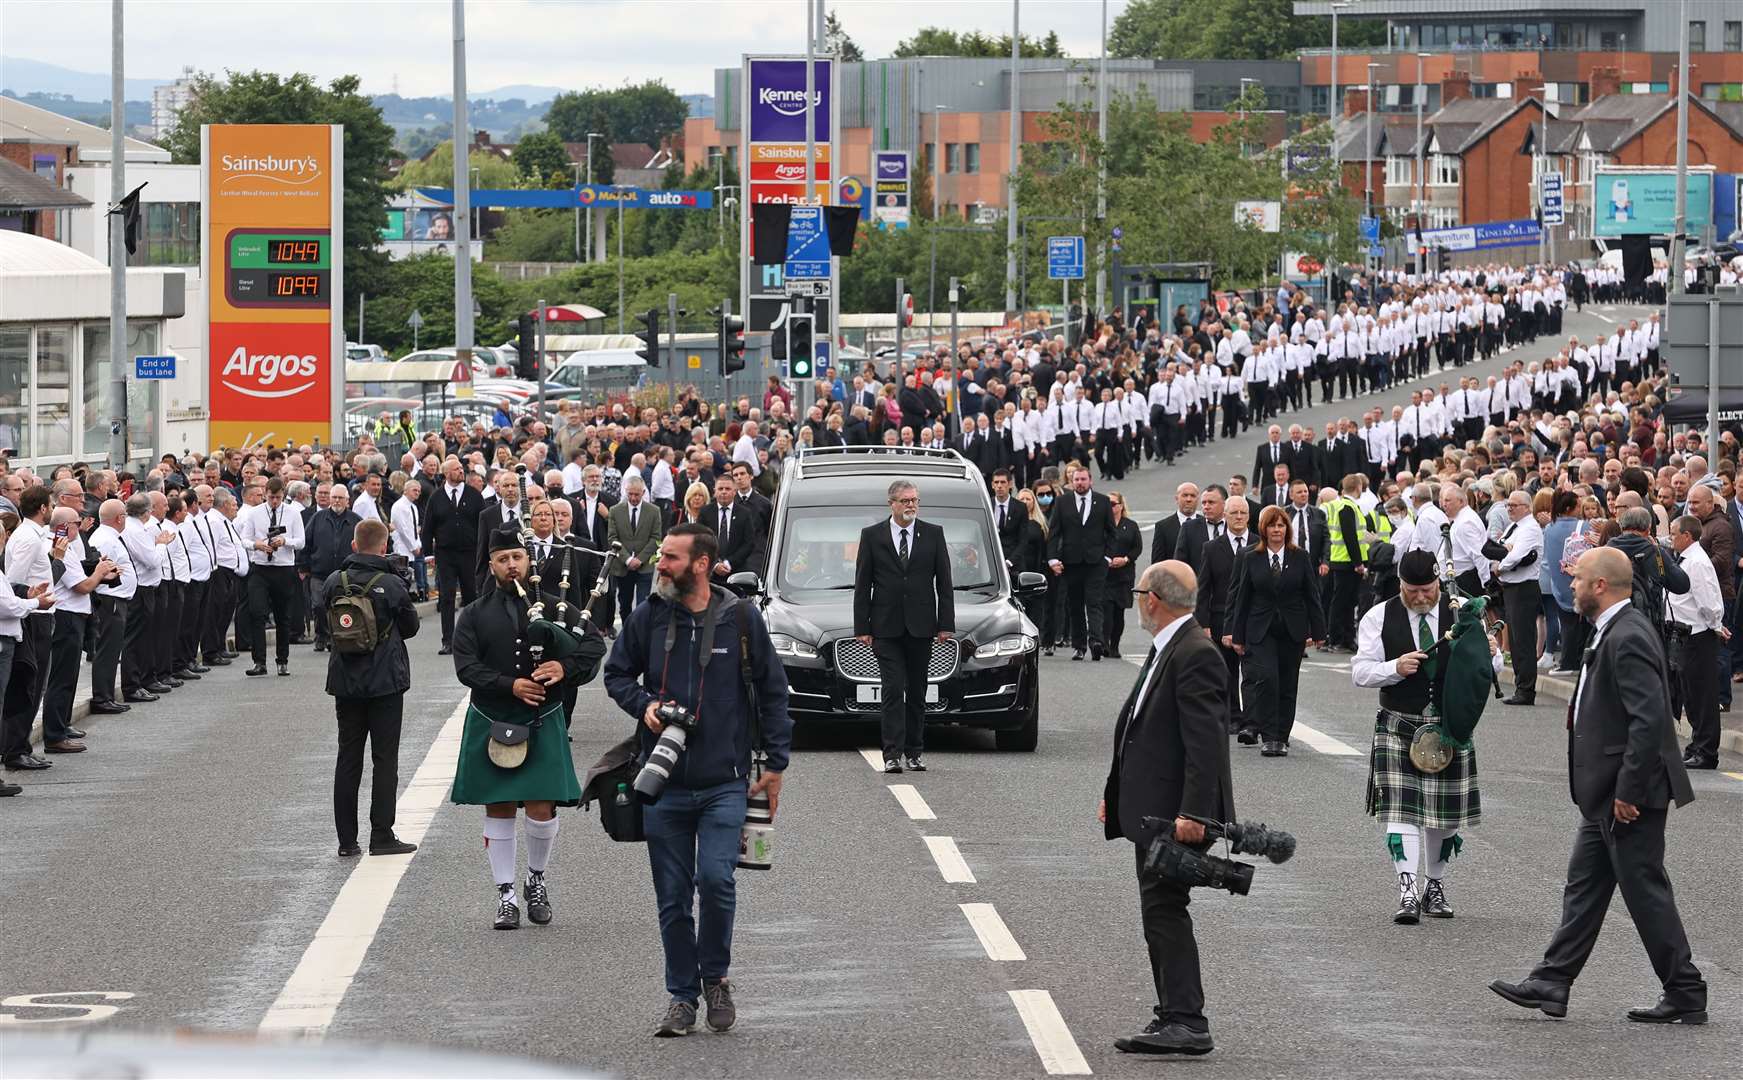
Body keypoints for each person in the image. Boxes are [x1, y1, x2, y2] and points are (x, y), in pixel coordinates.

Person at [1490, 547, 1704, 1025]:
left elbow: (1649, 721)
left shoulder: (1626, 635)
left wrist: (1628, 791)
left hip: (1627, 793)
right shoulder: (1612, 629)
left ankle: (1686, 989)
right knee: (1584, 889)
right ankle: (1552, 980)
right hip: (1605, 792)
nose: (1572, 586)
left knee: (1645, 891)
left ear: (1601, 586)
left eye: (1579, 579)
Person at [603, 523, 793, 1038]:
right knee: (671, 896)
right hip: (661, 782)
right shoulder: (648, 615)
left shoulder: (742, 620)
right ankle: (682, 997)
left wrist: (776, 765)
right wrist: (644, 707)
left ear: (701, 564)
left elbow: (775, 693)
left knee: (715, 880)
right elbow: (616, 674)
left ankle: (717, 979)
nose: (659, 564)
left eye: (669, 557)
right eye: (661, 556)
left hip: (724, 781)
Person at [1101, 560, 1234, 1057]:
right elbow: (1142, 731)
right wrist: (1114, 797)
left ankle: (1186, 1020)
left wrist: (1195, 815)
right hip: (1155, 806)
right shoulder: (1172, 646)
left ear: (1152, 599)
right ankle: (1173, 1013)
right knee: (1159, 910)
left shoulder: (1196, 653)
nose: (1137, 600)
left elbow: (1206, 746)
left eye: (1139, 592)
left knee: (1165, 910)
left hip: (1175, 813)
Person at [450, 526, 607, 930]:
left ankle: (535, 880)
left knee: (541, 806)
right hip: (492, 717)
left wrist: (564, 667)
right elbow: (466, 667)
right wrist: (510, 684)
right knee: (499, 805)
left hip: (542, 719)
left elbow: (594, 646)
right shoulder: (474, 614)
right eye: (503, 559)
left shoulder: (555, 608)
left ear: (529, 560)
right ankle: (506, 894)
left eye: (517, 557)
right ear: (492, 565)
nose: (512, 565)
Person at [1352, 550, 1494, 924]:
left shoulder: (1461, 610)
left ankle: (1435, 885)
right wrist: (1394, 667)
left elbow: (1488, 664)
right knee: (1402, 810)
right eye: (1411, 590)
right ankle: (1408, 891)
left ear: (1437, 582)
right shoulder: (1378, 616)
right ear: (1400, 585)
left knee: (1445, 818)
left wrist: (1492, 653)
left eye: (1427, 589)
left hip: (1450, 727)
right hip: (1399, 723)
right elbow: (1360, 672)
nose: (1420, 597)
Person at [320, 519, 420, 858]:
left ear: (353, 545)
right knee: (384, 758)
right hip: (385, 682)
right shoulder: (391, 583)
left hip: (345, 681)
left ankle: (346, 841)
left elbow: (324, 623)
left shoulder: (335, 581)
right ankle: (382, 834)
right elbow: (410, 627)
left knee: (348, 757)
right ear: (383, 546)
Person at [854, 480, 954, 773]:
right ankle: (892, 754)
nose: (911, 505)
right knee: (893, 689)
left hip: (922, 627)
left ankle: (915, 751)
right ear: (892, 504)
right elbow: (863, 584)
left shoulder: (933, 534)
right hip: (886, 627)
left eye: (915, 500)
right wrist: (862, 626)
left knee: (917, 691)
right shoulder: (872, 536)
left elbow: (944, 583)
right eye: (906, 500)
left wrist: (945, 624)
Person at [1227, 504, 1325, 757]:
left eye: (1281, 525)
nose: (1276, 530)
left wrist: (1318, 630)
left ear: (1287, 529)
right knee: (1267, 678)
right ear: (1264, 529)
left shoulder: (1300, 556)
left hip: (1292, 630)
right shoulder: (1251, 557)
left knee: (1287, 683)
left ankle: (1281, 736)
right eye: (1272, 525)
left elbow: (1312, 594)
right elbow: (1242, 598)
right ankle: (1269, 736)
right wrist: (1237, 635)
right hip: (1260, 630)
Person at [38, 506, 112, 755]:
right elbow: (81, 586)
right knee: (61, 678)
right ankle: (55, 734)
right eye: (76, 523)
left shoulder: (66, 547)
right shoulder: (58, 546)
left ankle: (62, 725)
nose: (79, 527)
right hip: (66, 617)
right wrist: (100, 574)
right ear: (64, 525)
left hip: (74, 616)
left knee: (68, 677)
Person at [1, 487, 62, 771]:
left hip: (39, 613)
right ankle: (15, 749)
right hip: (32, 618)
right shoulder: (27, 537)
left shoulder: (34, 536)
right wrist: (31, 596)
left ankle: (20, 745)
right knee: (29, 685)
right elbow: (11, 583)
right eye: (49, 505)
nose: (51, 510)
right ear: (41, 508)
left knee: (34, 684)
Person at [1665, 516, 1724, 770]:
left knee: (1702, 697)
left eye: (1673, 533)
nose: (1670, 537)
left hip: (1698, 635)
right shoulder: (1684, 558)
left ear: (1687, 536)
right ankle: (1696, 746)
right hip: (1684, 633)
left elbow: (1707, 600)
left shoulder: (1697, 562)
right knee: (1690, 694)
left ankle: (1706, 752)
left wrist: (1716, 626)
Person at [1193, 497, 1254, 736]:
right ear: (1225, 516)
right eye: (1233, 513)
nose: (1238, 517)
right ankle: (1232, 714)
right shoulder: (1211, 547)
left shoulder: (1259, 544)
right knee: (1227, 671)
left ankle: (1252, 718)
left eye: (1243, 512)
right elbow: (1204, 588)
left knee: (1253, 672)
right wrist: (1204, 623)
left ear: (1249, 516)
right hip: (1220, 619)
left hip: (1253, 618)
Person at [236, 477, 305, 678]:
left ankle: (282, 661)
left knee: (283, 616)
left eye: (278, 497)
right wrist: (257, 545)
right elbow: (244, 539)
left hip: (283, 568)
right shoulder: (255, 513)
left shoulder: (292, 513)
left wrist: (285, 541)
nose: (274, 501)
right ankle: (259, 661)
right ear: (265, 494)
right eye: (271, 497)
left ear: (283, 495)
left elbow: (300, 541)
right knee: (257, 613)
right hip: (261, 567)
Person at [1049, 468, 1116, 661]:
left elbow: (1112, 532)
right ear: (1071, 482)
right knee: (1075, 605)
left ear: (1090, 481)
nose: (1080, 482)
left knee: (1094, 602)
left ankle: (1096, 641)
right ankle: (1079, 646)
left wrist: (1108, 557)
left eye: (1083, 479)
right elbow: (1054, 532)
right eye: (1076, 479)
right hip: (1071, 562)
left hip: (1096, 562)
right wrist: (1053, 559)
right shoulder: (1063, 502)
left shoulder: (1103, 502)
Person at [424, 457, 485, 654]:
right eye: (457, 469)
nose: (461, 471)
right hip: (445, 554)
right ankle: (448, 640)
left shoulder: (474, 495)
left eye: (461, 468)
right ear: (447, 473)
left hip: (469, 553)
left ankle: (473, 638)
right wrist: (427, 554)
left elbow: (483, 524)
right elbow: (428, 527)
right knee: (447, 597)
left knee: (471, 596)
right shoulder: (437, 497)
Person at [1492, 490, 1545, 705]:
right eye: (1508, 505)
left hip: (1524, 587)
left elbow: (1515, 555)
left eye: (1514, 505)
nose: (1510, 508)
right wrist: (1501, 558)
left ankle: (1526, 690)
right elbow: (1499, 547)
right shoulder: (1515, 527)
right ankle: (1520, 685)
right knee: (1515, 639)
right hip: (1512, 587)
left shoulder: (1530, 528)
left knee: (1523, 640)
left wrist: (1500, 567)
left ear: (1526, 506)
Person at [86, 498, 136, 713]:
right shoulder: (105, 539)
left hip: (117, 598)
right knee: (108, 649)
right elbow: (101, 568)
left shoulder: (110, 536)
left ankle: (106, 695)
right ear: (119, 518)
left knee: (113, 649)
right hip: (110, 599)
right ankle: (101, 697)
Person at [305, 484, 362, 652]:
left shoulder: (356, 520)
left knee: (339, 606)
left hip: (345, 574)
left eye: (340, 498)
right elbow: (307, 542)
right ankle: (321, 635)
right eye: (334, 497)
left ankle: (334, 637)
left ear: (347, 501)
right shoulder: (317, 518)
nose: (337, 501)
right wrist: (303, 566)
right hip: (319, 572)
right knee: (319, 606)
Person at [607, 475, 663, 624]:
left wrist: (640, 559)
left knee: (643, 604)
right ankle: (627, 632)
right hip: (622, 566)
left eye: (636, 494)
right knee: (624, 604)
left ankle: (640, 633)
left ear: (643, 493)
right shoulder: (615, 511)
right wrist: (627, 559)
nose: (633, 498)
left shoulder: (653, 511)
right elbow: (612, 538)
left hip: (644, 567)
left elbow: (656, 538)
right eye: (630, 494)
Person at [1103, 492, 1143, 658]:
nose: (1110, 507)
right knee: (1106, 610)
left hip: (1123, 575)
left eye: (1113, 503)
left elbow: (1137, 547)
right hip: (1104, 574)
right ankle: (1103, 642)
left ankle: (1115, 645)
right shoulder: (1101, 524)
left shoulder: (1131, 525)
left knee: (1119, 612)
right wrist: (1105, 559)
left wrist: (1126, 559)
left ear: (1120, 505)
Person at [698, 475, 756, 584]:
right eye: (720, 489)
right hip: (710, 574)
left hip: (737, 573)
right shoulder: (705, 513)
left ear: (735, 491)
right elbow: (700, 542)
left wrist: (729, 563)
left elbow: (749, 543)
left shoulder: (744, 513)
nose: (724, 492)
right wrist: (714, 564)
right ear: (715, 492)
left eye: (728, 489)